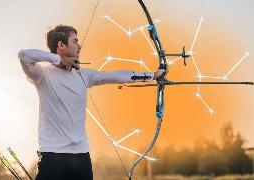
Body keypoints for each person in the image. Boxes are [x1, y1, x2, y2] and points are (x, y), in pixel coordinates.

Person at [18, 25, 166, 180]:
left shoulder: (84, 75)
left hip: (81, 158)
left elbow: (118, 76)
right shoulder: (42, 75)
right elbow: (23, 55)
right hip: (52, 156)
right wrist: (59, 59)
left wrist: (153, 75)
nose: (79, 45)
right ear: (61, 45)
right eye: (74, 41)